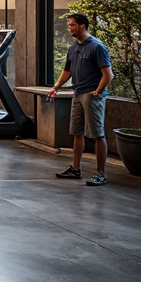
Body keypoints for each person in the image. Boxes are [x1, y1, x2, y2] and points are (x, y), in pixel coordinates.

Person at [50, 12, 114, 186]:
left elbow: (108, 74)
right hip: (77, 93)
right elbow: (67, 72)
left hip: (92, 94)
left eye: (72, 25)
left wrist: (98, 91)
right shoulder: (73, 48)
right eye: (69, 25)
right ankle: (75, 168)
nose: (69, 28)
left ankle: (101, 173)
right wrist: (56, 87)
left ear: (82, 26)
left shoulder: (96, 46)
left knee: (97, 134)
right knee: (77, 132)